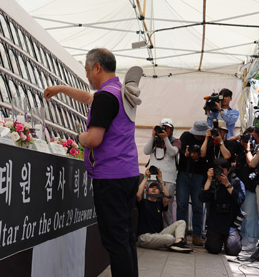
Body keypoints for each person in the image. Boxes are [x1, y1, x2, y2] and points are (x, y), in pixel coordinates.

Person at [43, 48, 142, 277]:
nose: (87, 76)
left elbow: (95, 138)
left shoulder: (106, 97)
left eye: (87, 70)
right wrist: (61, 89)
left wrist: (78, 137)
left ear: (97, 67)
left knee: (115, 242)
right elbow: (90, 98)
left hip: (111, 177)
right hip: (127, 174)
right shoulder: (119, 91)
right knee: (126, 239)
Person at [136, 167, 193, 253]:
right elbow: (137, 195)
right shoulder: (143, 203)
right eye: (151, 187)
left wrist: (161, 180)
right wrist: (146, 177)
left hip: (159, 235)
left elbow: (167, 198)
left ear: (160, 192)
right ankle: (172, 243)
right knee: (169, 238)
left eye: (156, 188)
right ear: (147, 190)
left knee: (181, 222)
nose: (154, 189)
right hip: (144, 237)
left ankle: (178, 243)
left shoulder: (159, 204)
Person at [199, 158, 245, 255]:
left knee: (233, 250)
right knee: (213, 248)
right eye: (217, 170)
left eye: (223, 170)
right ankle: (217, 239)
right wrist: (209, 179)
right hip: (215, 223)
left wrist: (227, 184)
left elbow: (240, 200)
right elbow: (202, 198)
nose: (220, 173)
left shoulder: (235, 181)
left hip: (231, 224)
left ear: (228, 170)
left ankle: (230, 239)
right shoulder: (211, 181)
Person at [228, 127, 259, 252]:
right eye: (247, 137)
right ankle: (243, 239)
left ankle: (252, 240)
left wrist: (248, 148)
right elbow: (227, 143)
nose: (248, 140)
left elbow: (251, 164)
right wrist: (237, 138)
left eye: (252, 137)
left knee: (251, 215)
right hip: (240, 186)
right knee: (241, 215)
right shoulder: (241, 150)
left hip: (251, 187)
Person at [142, 118, 180, 227]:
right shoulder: (154, 140)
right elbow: (146, 151)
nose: (165, 130)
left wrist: (166, 139)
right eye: (163, 127)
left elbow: (173, 152)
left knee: (167, 208)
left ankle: (168, 231)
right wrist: (152, 136)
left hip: (169, 179)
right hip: (153, 179)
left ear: (172, 129)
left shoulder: (175, 141)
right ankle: (151, 228)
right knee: (151, 205)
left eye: (168, 128)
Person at [176, 120, 209, 246]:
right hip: (184, 173)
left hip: (200, 175)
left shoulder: (208, 139)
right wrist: (189, 154)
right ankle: (181, 235)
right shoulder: (186, 136)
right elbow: (183, 152)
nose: (199, 136)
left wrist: (205, 140)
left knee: (198, 206)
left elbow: (204, 154)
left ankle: (197, 235)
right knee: (181, 204)